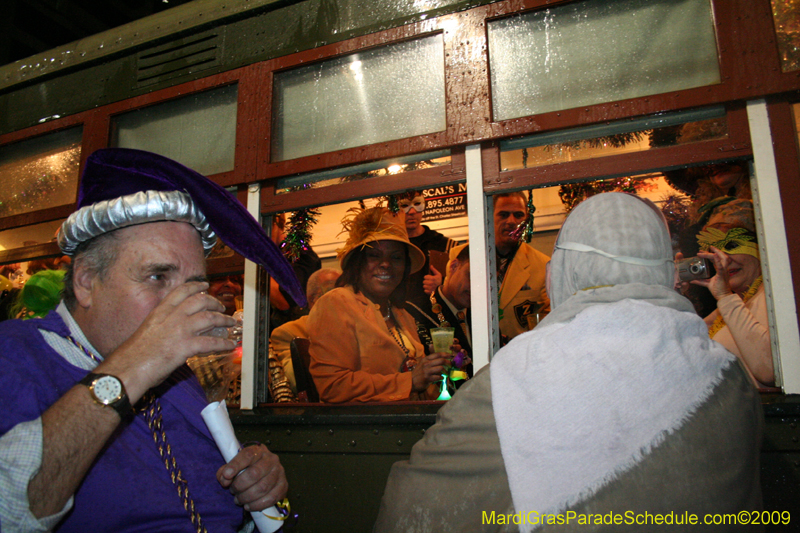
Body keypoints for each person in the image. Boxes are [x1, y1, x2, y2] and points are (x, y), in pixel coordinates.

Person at [375, 193, 763, 532]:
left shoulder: (514, 381)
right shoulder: (727, 374)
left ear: (564, 270)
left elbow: (412, 511)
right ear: (666, 267)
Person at [0, 148, 306, 532]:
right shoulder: (14, 355)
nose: (184, 304)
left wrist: (257, 486)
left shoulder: (181, 380)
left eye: (194, 286)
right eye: (157, 277)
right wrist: (139, 363)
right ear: (85, 281)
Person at [307, 206, 447, 403]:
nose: (386, 264)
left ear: (405, 267)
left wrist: (439, 367)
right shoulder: (336, 302)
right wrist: (410, 381)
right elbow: (333, 386)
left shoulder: (402, 313)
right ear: (358, 262)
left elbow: (420, 387)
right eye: (374, 255)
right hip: (364, 430)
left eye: (396, 257)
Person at [690, 197, 773, 388]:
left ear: (760, 247)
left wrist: (726, 297)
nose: (724, 260)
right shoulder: (733, 305)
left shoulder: (773, 297)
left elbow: (770, 369)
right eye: (715, 251)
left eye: (733, 246)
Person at [406, 243, 473, 379]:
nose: (476, 286)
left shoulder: (485, 316)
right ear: (454, 267)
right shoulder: (414, 311)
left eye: (487, 281)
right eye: (471, 275)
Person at [270, 268, 340, 394]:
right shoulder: (287, 333)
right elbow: (296, 380)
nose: (343, 299)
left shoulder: (361, 327)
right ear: (312, 300)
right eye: (333, 293)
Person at [493, 192, 550, 341]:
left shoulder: (544, 266)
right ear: (488, 216)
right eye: (503, 214)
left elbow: (550, 324)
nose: (511, 221)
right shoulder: (460, 257)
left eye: (518, 215)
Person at [400, 190, 457, 311]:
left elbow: (466, 288)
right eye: (404, 206)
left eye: (417, 204)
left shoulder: (447, 246)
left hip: (436, 319)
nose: (412, 212)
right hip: (398, 319)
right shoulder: (390, 246)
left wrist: (443, 285)